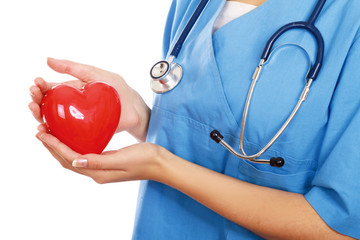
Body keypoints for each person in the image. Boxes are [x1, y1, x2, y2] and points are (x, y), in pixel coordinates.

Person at [29, 0, 360, 239]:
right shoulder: (194, 5)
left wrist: (162, 166)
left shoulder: (350, 20)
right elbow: (209, 140)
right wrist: (137, 116)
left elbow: (336, 227)